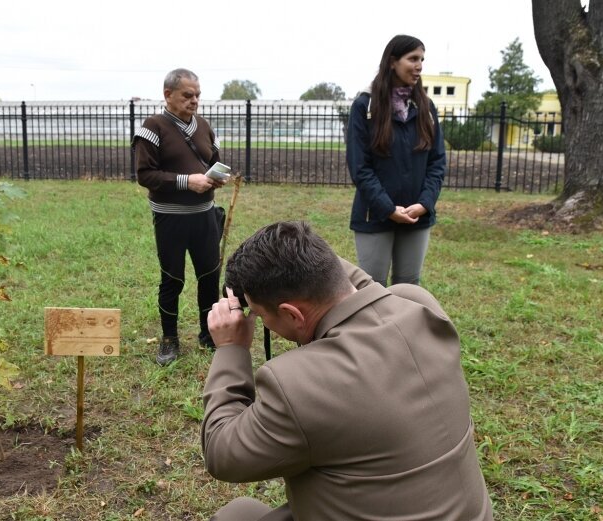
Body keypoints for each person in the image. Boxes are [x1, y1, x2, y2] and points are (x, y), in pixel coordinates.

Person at [202, 221, 492, 521]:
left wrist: (231, 349)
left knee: (238, 514)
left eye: (260, 315)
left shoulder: (299, 384)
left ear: (291, 313)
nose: (262, 323)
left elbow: (222, 454)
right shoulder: (418, 305)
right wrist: (291, 246)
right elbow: (353, 286)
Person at [133, 68, 226, 365]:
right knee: (172, 279)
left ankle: (207, 334)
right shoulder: (153, 127)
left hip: (205, 216)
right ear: (168, 95)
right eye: (188, 95)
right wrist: (188, 181)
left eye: (197, 95)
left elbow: (214, 161)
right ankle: (169, 339)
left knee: (210, 277)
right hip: (170, 219)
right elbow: (145, 175)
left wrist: (217, 176)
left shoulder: (205, 126)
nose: (194, 100)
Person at [346, 34, 446, 286]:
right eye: (413, 58)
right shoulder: (365, 106)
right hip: (375, 215)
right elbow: (360, 167)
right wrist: (388, 209)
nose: (419, 65)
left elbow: (437, 162)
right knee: (372, 288)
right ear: (392, 62)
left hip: (417, 216)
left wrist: (425, 203)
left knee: (408, 286)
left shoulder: (425, 107)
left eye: (422, 59)